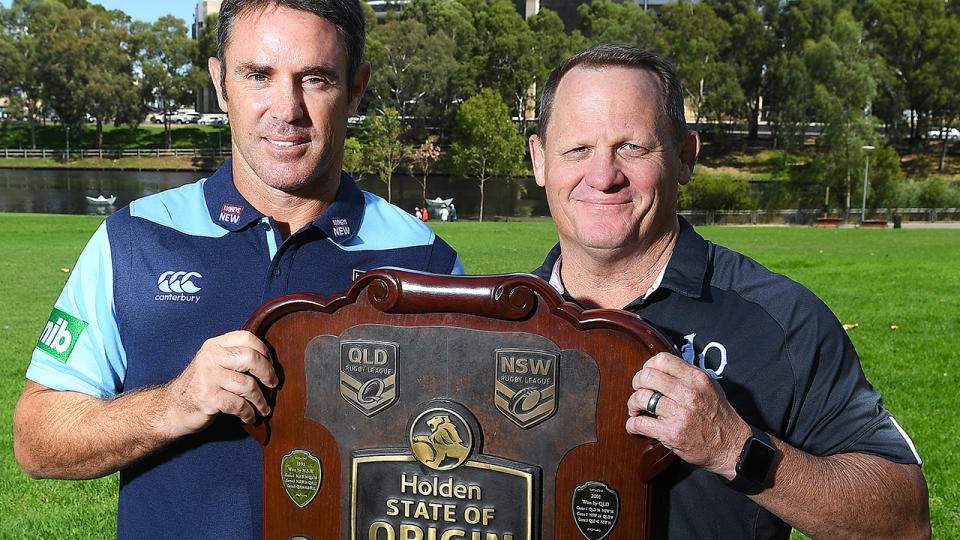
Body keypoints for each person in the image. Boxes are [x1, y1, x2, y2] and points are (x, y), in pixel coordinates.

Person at [13, 1, 463, 538]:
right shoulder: (133, 240)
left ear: (357, 86)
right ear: (221, 83)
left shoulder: (427, 261)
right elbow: (37, 439)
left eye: (315, 79)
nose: (286, 108)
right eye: (258, 75)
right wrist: (172, 405)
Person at [528, 44, 930, 539]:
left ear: (684, 158)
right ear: (539, 160)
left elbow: (905, 522)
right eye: (577, 149)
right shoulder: (497, 325)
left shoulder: (781, 322)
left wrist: (734, 448)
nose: (603, 175)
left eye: (632, 147)